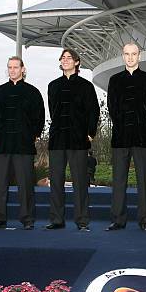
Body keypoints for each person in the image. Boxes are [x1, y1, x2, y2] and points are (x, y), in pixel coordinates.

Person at [0, 56, 45, 230]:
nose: (12, 70)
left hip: (24, 146)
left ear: (23, 69)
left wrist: (32, 135)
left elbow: (39, 117)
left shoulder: (33, 92)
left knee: (25, 185)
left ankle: (27, 219)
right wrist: (0, 133)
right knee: (0, 186)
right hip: (3, 145)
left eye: (15, 67)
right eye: (9, 67)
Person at [106, 43, 146, 231]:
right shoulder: (114, 80)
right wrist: (121, 125)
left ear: (139, 56)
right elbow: (112, 107)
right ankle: (118, 219)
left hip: (142, 137)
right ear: (123, 56)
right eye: (127, 54)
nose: (130, 57)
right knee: (119, 180)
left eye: (133, 54)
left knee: (144, 180)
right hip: (120, 137)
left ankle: (145, 220)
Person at [46, 48, 100, 232]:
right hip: (57, 139)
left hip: (78, 139)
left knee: (80, 182)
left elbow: (94, 111)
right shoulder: (53, 86)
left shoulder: (86, 86)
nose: (66, 60)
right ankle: (57, 220)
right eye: (63, 58)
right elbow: (53, 110)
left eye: (69, 58)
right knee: (56, 181)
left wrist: (90, 133)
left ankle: (82, 220)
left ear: (77, 62)